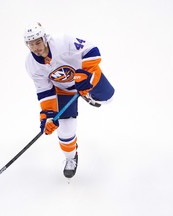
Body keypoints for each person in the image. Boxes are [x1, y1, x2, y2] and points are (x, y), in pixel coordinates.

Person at [24, 22, 114, 179]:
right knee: (65, 130)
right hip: (63, 90)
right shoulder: (31, 65)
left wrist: (84, 75)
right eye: (31, 44)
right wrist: (49, 115)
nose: (36, 47)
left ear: (44, 38)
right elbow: (45, 90)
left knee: (108, 98)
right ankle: (71, 158)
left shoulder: (63, 42)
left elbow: (92, 50)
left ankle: (88, 94)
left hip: (86, 77)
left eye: (38, 42)